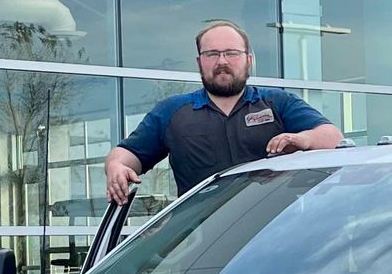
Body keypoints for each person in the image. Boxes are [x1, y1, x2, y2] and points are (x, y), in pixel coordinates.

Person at [104, 21, 342, 204]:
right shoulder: (172, 112)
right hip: (202, 244)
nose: (222, 61)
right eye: (212, 54)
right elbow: (127, 153)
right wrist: (116, 167)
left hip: (275, 237)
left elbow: (333, 138)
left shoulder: (278, 103)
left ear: (248, 60)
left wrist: (302, 139)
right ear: (199, 62)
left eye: (231, 53)